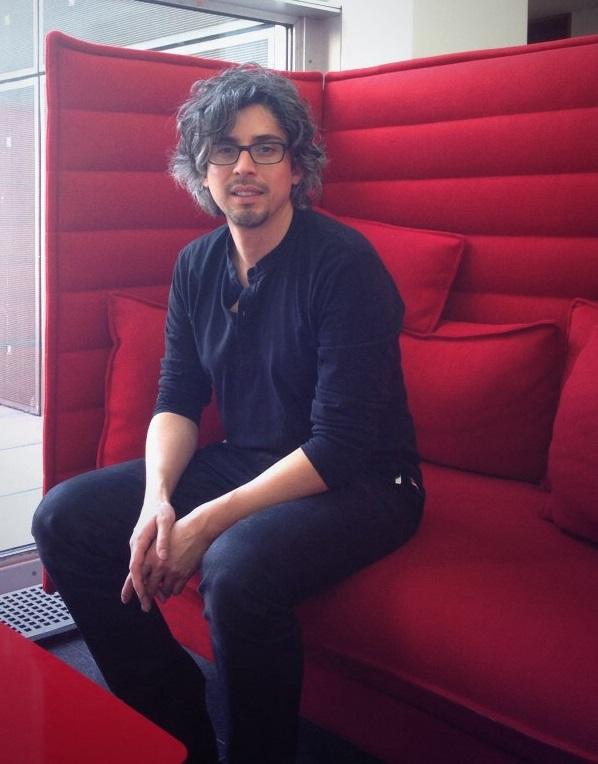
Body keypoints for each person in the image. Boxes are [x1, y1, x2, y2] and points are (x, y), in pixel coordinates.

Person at [33, 65, 424, 764]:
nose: (244, 165)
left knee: (235, 565)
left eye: (266, 147)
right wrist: (157, 501)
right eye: (225, 148)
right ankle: (174, 725)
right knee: (66, 517)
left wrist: (205, 522)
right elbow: (178, 397)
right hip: (254, 459)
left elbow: (339, 445)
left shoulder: (345, 264)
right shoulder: (196, 264)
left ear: (297, 168)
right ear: (201, 168)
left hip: (369, 482)